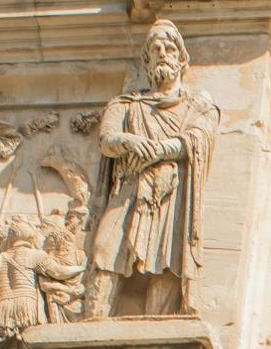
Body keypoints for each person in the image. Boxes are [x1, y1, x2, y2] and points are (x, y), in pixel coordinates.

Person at [92, 18, 218, 314]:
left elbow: (198, 137)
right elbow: (106, 138)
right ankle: (95, 316)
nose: (163, 53)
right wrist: (129, 141)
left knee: (168, 258)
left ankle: (159, 323)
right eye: (156, 49)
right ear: (147, 60)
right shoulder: (126, 104)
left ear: (181, 59)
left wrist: (161, 149)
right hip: (131, 185)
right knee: (104, 248)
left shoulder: (197, 105)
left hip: (171, 190)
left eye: (169, 49)